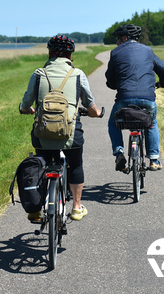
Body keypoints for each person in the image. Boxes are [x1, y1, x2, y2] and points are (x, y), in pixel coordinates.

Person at [19, 35, 102, 221]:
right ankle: (77, 208)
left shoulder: (39, 74)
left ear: (49, 53)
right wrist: (96, 113)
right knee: (76, 164)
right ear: (70, 56)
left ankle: (35, 209)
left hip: (43, 135)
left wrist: (27, 110)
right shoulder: (78, 74)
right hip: (70, 135)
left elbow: (26, 103)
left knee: (41, 164)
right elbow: (90, 104)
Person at [105, 24, 164, 172]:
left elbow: (109, 78)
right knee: (151, 123)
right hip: (147, 98)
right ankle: (154, 159)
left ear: (125, 38)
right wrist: (163, 83)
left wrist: (115, 84)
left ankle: (119, 153)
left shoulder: (115, 53)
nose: (117, 42)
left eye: (118, 39)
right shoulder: (148, 51)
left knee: (113, 124)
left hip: (124, 98)